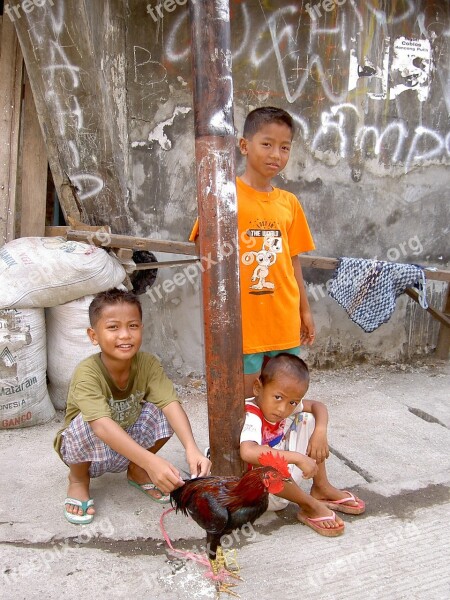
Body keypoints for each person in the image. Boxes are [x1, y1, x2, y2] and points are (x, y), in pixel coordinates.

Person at [54, 288, 211, 524]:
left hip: (127, 445)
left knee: (163, 409)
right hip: (88, 452)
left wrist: (192, 448)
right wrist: (153, 462)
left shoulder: (147, 364)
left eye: (133, 326)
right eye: (113, 327)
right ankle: (78, 480)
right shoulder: (87, 373)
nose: (125, 335)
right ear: (93, 335)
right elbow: (102, 427)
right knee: (86, 422)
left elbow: (170, 403)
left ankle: (137, 470)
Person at [190, 106, 316, 398]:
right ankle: (245, 446)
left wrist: (305, 311)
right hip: (245, 323)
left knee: (283, 399)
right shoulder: (224, 195)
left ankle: (274, 445)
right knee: (246, 402)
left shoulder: (290, 203)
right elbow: (203, 250)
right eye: (267, 144)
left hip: (283, 319)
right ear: (244, 146)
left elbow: (293, 261)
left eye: (285, 147)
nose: (276, 155)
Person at [240, 353, 365, 536]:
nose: (283, 409)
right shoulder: (252, 414)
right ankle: (308, 505)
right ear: (258, 388)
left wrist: (320, 432)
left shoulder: (282, 405)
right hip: (262, 493)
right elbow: (248, 452)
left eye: (292, 402)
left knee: (308, 419)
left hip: (284, 480)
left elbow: (317, 406)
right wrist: (298, 458)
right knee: (266, 461)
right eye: (278, 398)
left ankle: (321, 487)